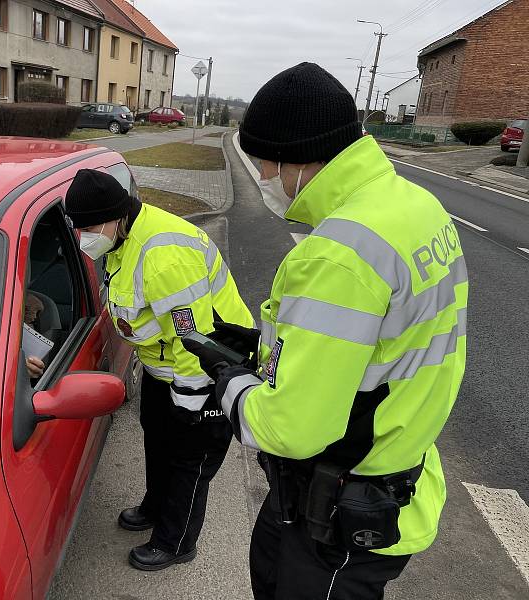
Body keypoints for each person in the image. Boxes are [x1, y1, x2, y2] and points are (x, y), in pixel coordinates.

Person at [184, 62, 467, 599]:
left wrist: (232, 384)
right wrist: (267, 353)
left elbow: (293, 428)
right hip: (386, 473)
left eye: (266, 163)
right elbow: (379, 346)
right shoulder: (414, 207)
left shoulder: (339, 255)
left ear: (301, 158)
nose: (265, 178)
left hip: (338, 508)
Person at [64, 169, 255, 571]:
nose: (85, 237)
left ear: (116, 215)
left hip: (205, 373)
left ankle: (176, 542)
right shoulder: (122, 236)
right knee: (158, 438)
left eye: (90, 227)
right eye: (79, 228)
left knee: (190, 460)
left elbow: (195, 338)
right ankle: (155, 507)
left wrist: (189, 402)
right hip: (162, 368)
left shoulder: (165, 256)